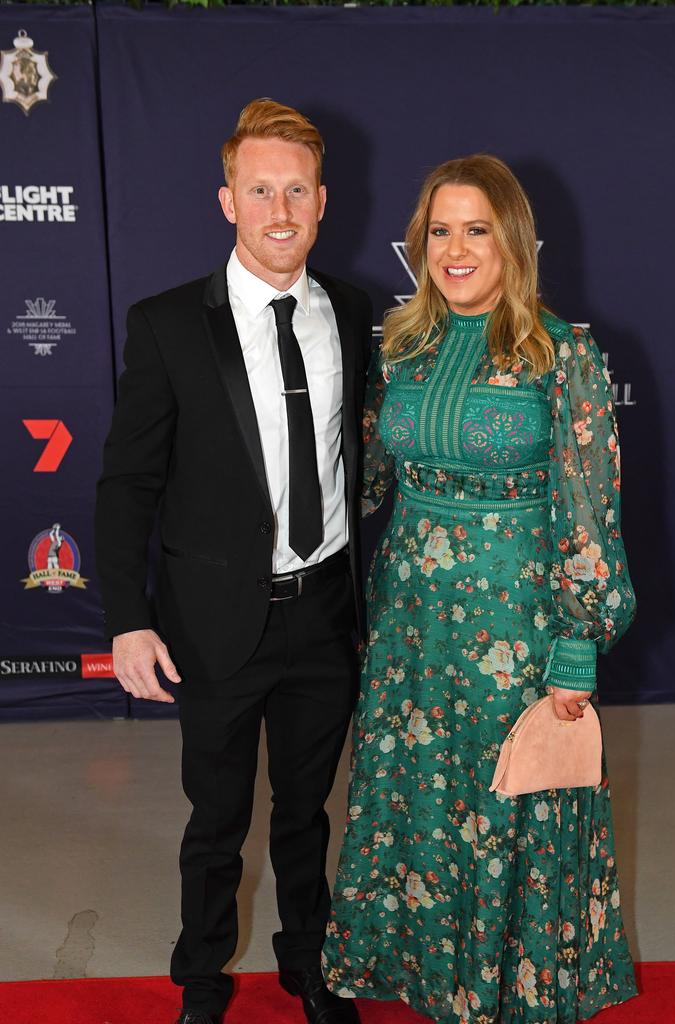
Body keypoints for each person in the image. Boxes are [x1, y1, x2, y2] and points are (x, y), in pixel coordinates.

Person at [323, 155, 637, 1022]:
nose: (455, 249)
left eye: (477, 230)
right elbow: (367, 481)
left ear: (513, 242)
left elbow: (590, 508)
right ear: (420, 242)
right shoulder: (403, 346)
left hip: (519, 628)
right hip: (412, 627)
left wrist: (577, 646)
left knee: (510, 803)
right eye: (439, 230)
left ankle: (510, 991)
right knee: (422, 801)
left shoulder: (561, 352)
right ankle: (434, 982)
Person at [95, 99, 370, 1024]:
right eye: (260, 189)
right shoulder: (168, 323)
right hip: (211, 622)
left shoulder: (357, 313)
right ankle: (203, 981)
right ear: (227, 201)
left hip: (324, 612)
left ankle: (310, 968)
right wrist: (127, 620)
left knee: (306, 814)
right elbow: (127, 482)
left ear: (324, 200)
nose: (280, 208)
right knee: (216, 821)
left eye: (297, 189)